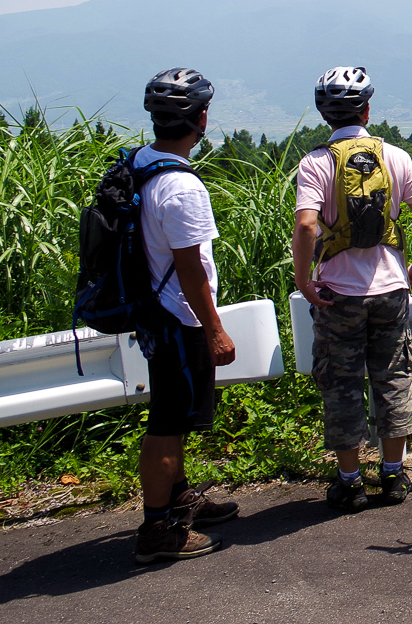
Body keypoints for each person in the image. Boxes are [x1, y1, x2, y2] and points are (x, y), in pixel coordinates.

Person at [292, 66, 412, 512]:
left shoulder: (316, 162)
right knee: (393, 377)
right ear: (368, 110)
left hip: (337, 293)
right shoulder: (395, 157)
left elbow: (306, 224)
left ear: (323, 115)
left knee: (342, 383)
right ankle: (393, 479)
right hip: (391, 288)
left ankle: (350, 482)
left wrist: (303, 280)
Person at [135, 67, 240, 563]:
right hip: (179, 317)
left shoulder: (141, 162)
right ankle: (158, 532)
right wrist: (215, 330)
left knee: (171, 415)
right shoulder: (183, 188)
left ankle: (180, 503)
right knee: (168, 422)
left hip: (153, 311)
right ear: (201, 118)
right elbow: (190, 267)